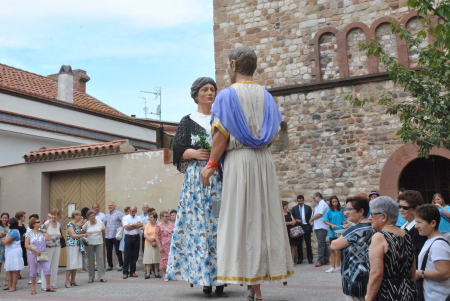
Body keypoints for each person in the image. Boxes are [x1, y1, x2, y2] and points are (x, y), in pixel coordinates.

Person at [201, 46, 293, 301]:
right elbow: (275, 134)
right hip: (263, 161)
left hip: (239, 161)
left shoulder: (226, 96)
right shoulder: (267, 96)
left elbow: (221, 135)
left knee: (240, 220)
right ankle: (256, 288)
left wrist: (210, 165)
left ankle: (253, 285)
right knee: (263, 220)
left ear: (232, 65)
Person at [166, 76, 227, 297]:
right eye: (205, 89)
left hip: (218, 178)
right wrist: (193, 153)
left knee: (219, 225)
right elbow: (178, 149)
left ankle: (221, 277)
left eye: (212, 89)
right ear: (196, 94)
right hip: (196, 179)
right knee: (198, 226)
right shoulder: (188, 120)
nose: (210, 93)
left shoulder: (222, 118)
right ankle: (203, 277)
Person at [365, 196, 417, 301]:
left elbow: (376, 273)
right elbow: (413, 270)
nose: (370, 218)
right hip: (408, 291)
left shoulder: (379, 237)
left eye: (372, 214)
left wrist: (368, 298)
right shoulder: (406, 235)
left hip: (388, 293)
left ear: (384, 216)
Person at [330, 195, 372, 301]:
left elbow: (334, 245)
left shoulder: (354, 230)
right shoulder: (373, 226)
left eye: (349, 209)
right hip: (370, 279)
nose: (346, 212)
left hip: (354, 280)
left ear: (361, 211)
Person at [415, 204, 450, 301]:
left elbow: (444, 273)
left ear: (433, 223)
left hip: (439, 296)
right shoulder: (430, 240)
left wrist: (420, 273)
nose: (416, 226)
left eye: (420, 222)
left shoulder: (438, 245)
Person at [25, 217, 54, 294]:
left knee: (47, 268)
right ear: (34, 224)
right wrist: (35, 250)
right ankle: (33, 288)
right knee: (33, 271)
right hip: (32, 253)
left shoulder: (42, 232)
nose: (40, 223)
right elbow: (26, 245)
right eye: (38, 222)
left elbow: (48, 239)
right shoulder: (29, 234)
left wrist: (45, 232)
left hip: (42, 253)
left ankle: (48, 286)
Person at [398, 190, 427, 267]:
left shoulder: (419, 229)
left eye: (405, 207)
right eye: (400, 206)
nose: (401, 209)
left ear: (416, 208)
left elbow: (417, 255)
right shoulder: (404, 226)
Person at [82, 210, 107, 283]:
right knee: (91, 259)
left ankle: (102, 276)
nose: (93, 217)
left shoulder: (100, 222)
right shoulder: (87, 224)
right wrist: (84, 238)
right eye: (91, 216)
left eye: (94, 216)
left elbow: (103, 231)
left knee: (100, 259)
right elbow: (83, 231)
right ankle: (91, 277)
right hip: (90, 243)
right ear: (88, 217)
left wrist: (102, 237)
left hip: (99, 242)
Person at [66, 210, 89, 288]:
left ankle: (73, 280)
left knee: (75, 263)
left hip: (78, 245)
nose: (81, 217)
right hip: (72, 245)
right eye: (79, 215)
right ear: (75, 215)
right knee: (70, 263)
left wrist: (82, 238)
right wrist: (82, 235)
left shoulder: (77, 225)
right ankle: (67, 281)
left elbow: (78, 235)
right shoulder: (70, 225)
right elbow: (73, 235)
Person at [323, 196, 346, 273]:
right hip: (332, 233)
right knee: (332, 250)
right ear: (331, 203)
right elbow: (325, 221)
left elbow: (343, 221)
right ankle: (332, 266)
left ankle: (339, 266)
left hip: (340, 232)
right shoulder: (329, 211)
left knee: (339, 250)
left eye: (336, 201)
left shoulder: (340, 211)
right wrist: (332, 225)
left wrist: (344, 225)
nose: (335, 203)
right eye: (333, 202)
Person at [1, 217, 24, 292]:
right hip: (9, 251)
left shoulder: (14, 231)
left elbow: (5, 242)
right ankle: (9, 285)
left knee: (14, 269)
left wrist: (3, 240)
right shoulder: (11, 231)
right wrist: (6, 239)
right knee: (9, 269)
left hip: (14, 252)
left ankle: (13, 286)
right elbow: (7, 240)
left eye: (9, 222)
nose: (8, 224)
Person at [41, 209, 62, 290]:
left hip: (57, 246)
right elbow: (41, 232)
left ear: (58, 216)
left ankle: (53, 283)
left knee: (55, 265)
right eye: (53, 215)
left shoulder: (59, 224)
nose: (54, 216)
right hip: (48, 247)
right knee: (46, 265)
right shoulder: (47, 223)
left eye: (56, 215)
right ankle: (44, 284)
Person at [291, 195, 313, 264]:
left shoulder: (308, 208)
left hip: (306, 226)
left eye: (301, 201)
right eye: (299, 201)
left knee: (308, 243)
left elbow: (311, 216)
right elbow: (292, 217)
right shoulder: (294, 208)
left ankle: (310, 259)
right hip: (298, 227)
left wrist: (310, 224)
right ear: (297, 201)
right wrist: (296, 220)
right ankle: (300, 259)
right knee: (299, 244)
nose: (300, 202)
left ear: (303, 201)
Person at [122, 206, 142, 279]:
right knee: (127, 255)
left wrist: (131, 225)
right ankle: (125, 272)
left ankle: (132, 271)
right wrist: (136, 225)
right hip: (128, 237)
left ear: (136, 211)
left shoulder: (138, 217)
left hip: (136, 237)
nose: (131, 212)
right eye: (130, 210)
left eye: (133, 211)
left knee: (135, 255)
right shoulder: (125, 217)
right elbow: (126, 227)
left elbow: (141, 225)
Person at [311, 192, 330, 267]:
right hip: (318, 226)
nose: (313, 199)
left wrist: (311, 219)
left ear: (318, 196)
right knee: (323, 243)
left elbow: (319, 214)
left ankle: (320, 260)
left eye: (314, 197)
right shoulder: (319, 204)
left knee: (321, 243)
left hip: (321, 226)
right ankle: (325, 258)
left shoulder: (323, 204)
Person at [104, 202, 124, 272]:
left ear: (115, 206)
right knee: (108, 251)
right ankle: (110, 265)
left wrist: (122, 227)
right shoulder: (106, 215)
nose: (110, 206)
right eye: (109, 205)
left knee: (118, 251)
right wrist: (105, 230)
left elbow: (123, 220)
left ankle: (121, 265)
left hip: (116, 236)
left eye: (111, 205)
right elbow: (104, 224)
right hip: (108, 236)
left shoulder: (118, 213)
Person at [155, 210, 174, 282]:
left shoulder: (171, 224)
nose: (167, 218)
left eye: (168, 216)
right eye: (166, 216)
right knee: (164, 259)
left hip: (172, 245)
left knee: (171, 259)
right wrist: (159, 246)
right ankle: (164, 274)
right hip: (163, 245)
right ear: (161, 217)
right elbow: (156, 235)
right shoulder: (159, 225)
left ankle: (170, 274)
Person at [143, 212, 160, 279]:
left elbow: (159, 234)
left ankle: (156, 273)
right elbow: (145, 234)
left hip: (156, 243)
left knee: (156, 259)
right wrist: (151, 240)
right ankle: (148, 274)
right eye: (149, 217)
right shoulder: (147, 225)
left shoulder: (158, 225)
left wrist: (155, 241)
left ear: (155, 218)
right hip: (148, 244)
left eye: (151, 217)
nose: (150, 219)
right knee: (148, 259)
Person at [282, 201, 297, 267]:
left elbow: (294, 221)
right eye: (286, 205)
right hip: (283, 231)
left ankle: (292, 261)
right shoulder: (280, 214)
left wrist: (289, 223)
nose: (287, 206)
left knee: (292, 246)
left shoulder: (289, 213)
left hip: (290, 231)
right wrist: (286, 223)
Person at [15, 211, 27, 276]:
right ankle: (16, 273)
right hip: (17, 243)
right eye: (24, 216)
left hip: (23, 243)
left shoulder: (23, 225)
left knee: (21, 257)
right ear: (20, 217)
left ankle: (18, 273)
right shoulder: (16, 224)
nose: (25, 218)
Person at [0, 212, 9, 290]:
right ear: (1, 218)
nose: (4, 219)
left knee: (7, 266)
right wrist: (5, 234)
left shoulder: (10, 226)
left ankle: (7, 282)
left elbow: (10, 235)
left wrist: (3, 233)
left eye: (6, 218)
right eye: (3, 217)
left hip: (7, 248)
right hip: (0, 248)